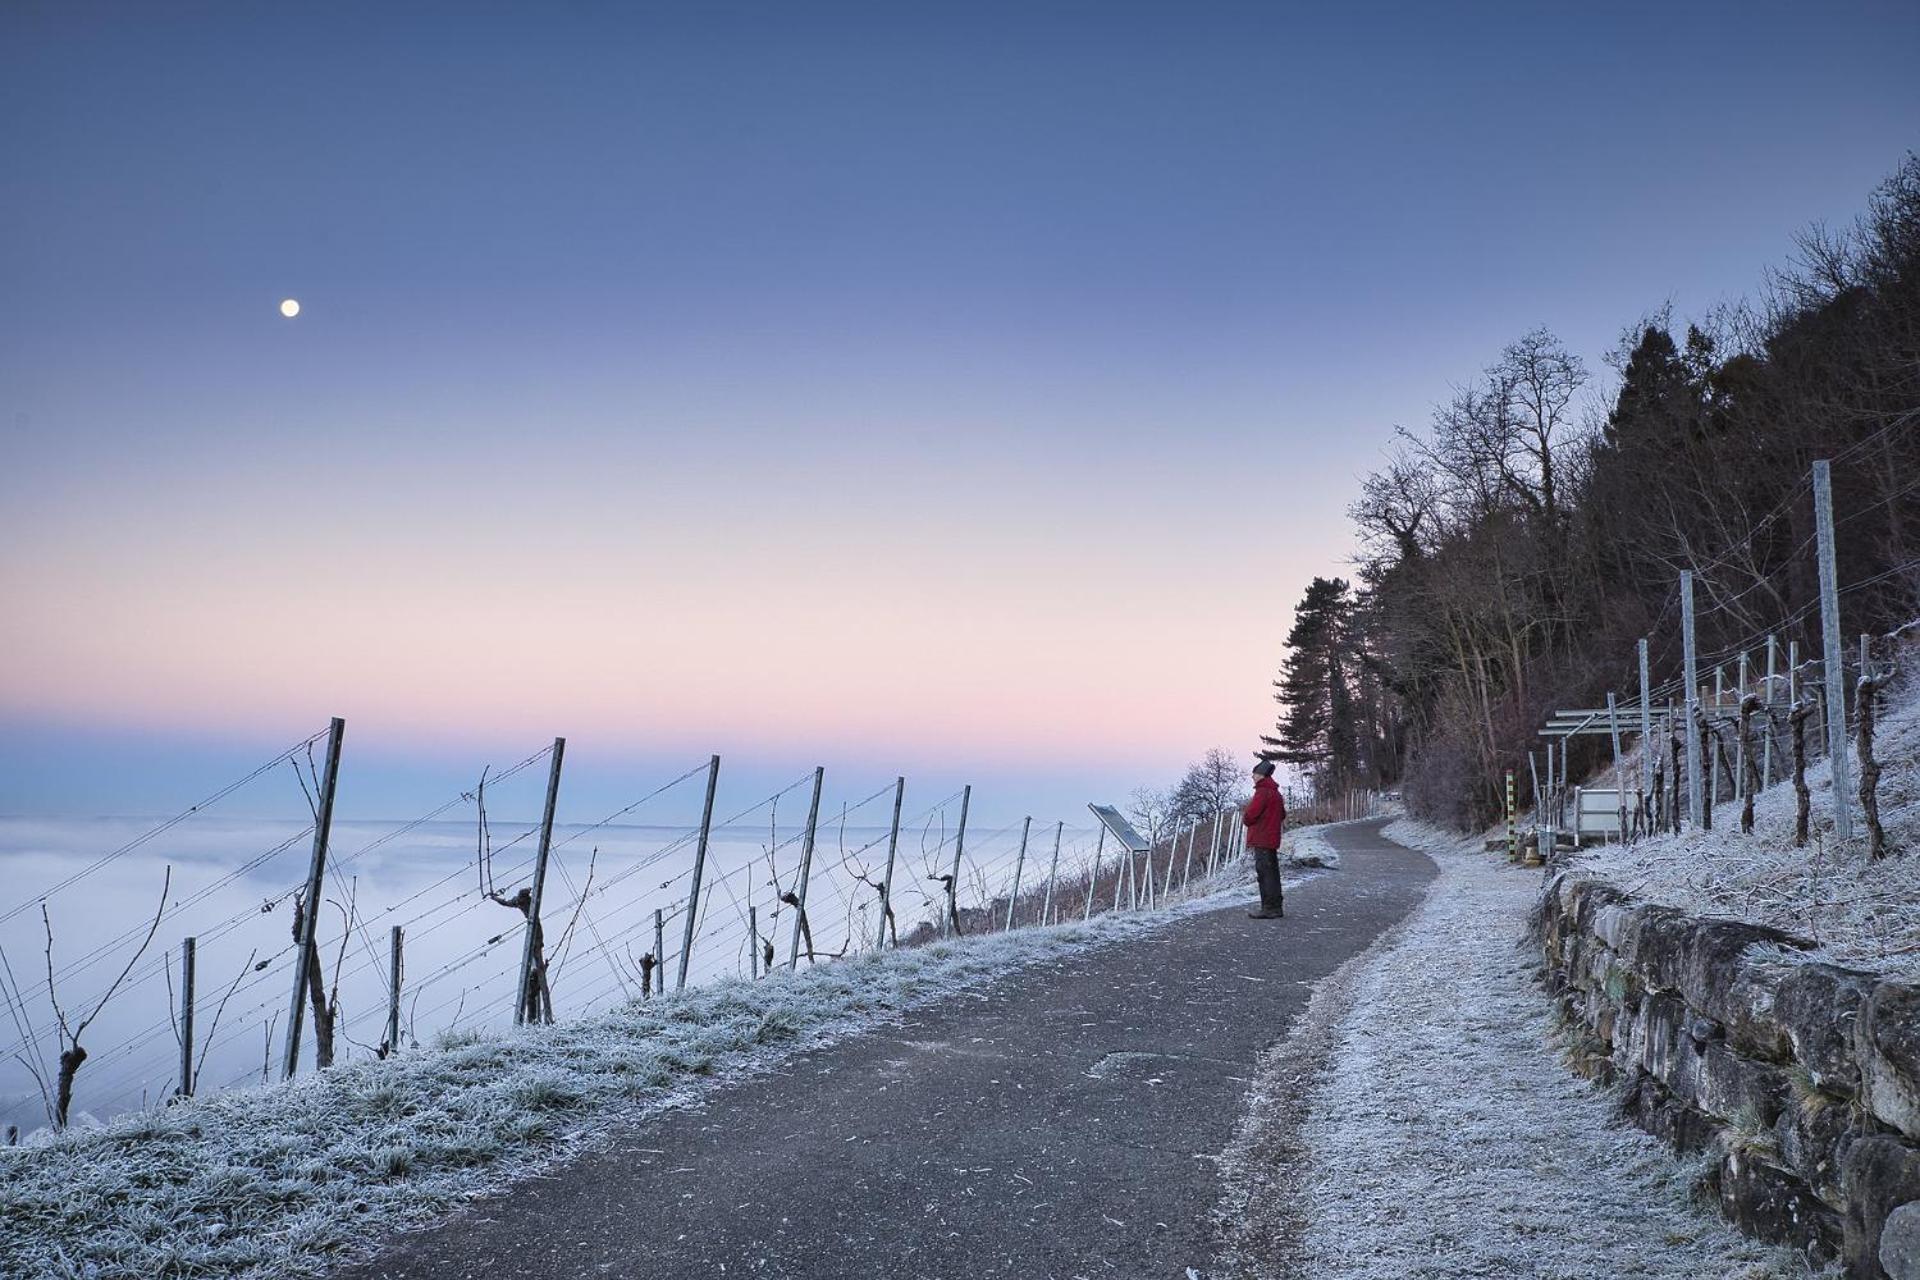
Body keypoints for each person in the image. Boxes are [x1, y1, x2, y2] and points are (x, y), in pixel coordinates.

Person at [1243, 760, 1287, 918]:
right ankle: (1276, 906)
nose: (1252, 777)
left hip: (1261, 838)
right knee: (1273, 873)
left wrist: (1246, 818)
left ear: (1260, 775)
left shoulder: (1262, 792)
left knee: (1264, 873)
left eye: (1254, 774)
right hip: (1272, 839)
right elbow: (1282, 814)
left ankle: (1269, 908)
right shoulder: (1275, 792)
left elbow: (1251, 815)